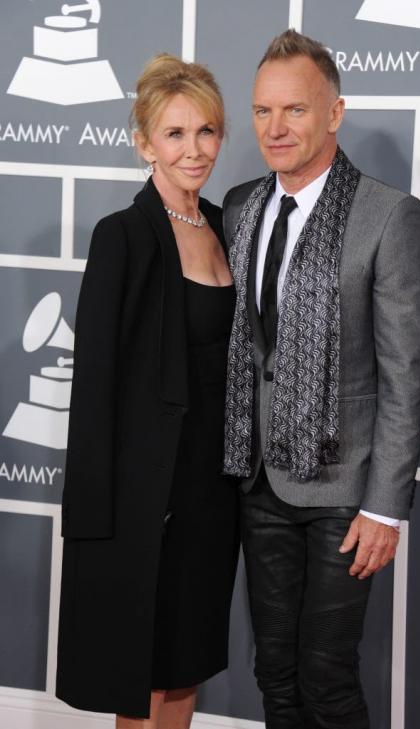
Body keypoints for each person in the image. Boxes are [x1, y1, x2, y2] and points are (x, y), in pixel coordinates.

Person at [222, 30, 420, 728]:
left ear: (334, 113)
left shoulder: (389, 215)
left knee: (327, 679)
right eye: (261, 112)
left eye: (295, 111)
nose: (275, 129)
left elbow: (406, 373)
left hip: (346, 492)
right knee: (275, 674)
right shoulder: (242, 206)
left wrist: (386, 507)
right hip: (260, 483)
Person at [56, 54, 240, 729]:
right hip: (147, 500)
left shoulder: (229, 226)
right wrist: (99, 516)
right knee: (144, 674)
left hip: (213, 494)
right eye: (175, 134)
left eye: (207, 131)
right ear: (144, 144)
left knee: (185, 667)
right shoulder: (123, 237)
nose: (194, 150)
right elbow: (94, 386)